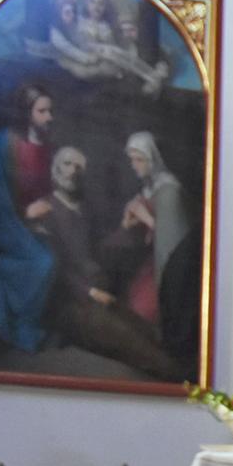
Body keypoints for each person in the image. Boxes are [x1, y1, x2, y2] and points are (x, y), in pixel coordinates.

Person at [31, 146, 183, 381]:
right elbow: (53, 269)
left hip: (98, 296)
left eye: (79, 167)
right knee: (132, 343)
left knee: (148, 331)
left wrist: (124, 227)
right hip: (71, 304)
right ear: (54, 170)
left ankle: (192, 373)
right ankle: (188, 383)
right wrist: (90, 292)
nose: (73, 171)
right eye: (67, 164)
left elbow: (99, 254)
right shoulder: (44, 211)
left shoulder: (83, 210)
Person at [0, 84, 59, 353]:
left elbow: (45, 188)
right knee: (43, 262)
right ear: (27, 113)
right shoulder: (6, 141)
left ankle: (21, 323)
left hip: (33, 221)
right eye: (42, 111)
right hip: (4, 220)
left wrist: (43, 210)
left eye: (50, 111)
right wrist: (22, 214)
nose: (49, 117)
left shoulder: (46, 145)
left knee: (53, 255)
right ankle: (20, 325)